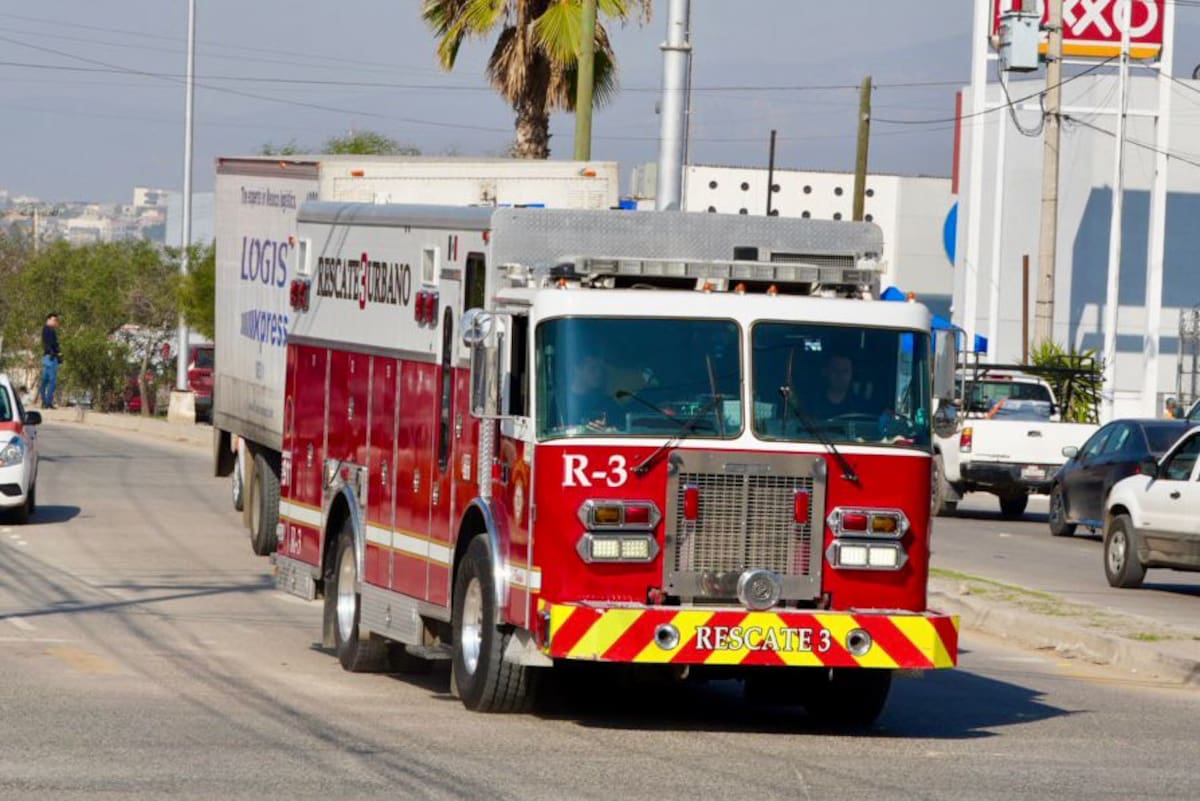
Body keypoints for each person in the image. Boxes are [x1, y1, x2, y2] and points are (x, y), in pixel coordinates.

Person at [563, 353, 623, 430]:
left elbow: (623, 428)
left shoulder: (606, 402)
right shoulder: (561, 402)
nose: (598, 374)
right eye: (592, 369)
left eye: (600, 369)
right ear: (577, 369)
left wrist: (608, 429)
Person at [806, 352, 869, 419]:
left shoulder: (861, 407)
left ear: (852, 374)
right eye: (835, 370)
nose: (840, 375)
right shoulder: (812, 404)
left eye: (845, 371)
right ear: (826, 372)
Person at [39, 312, 61, 409]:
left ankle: (45, 402)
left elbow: (54, 344)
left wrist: (59, 355)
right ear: (48, 319)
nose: (55, 322)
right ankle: (47, 402)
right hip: (50, 358)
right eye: (54, 320)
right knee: (52, 381)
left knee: (45, 380)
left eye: (56, 320)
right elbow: (48, 343)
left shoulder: (50, 330)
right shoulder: (47, 329)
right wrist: (53, 352)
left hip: (49, 357)